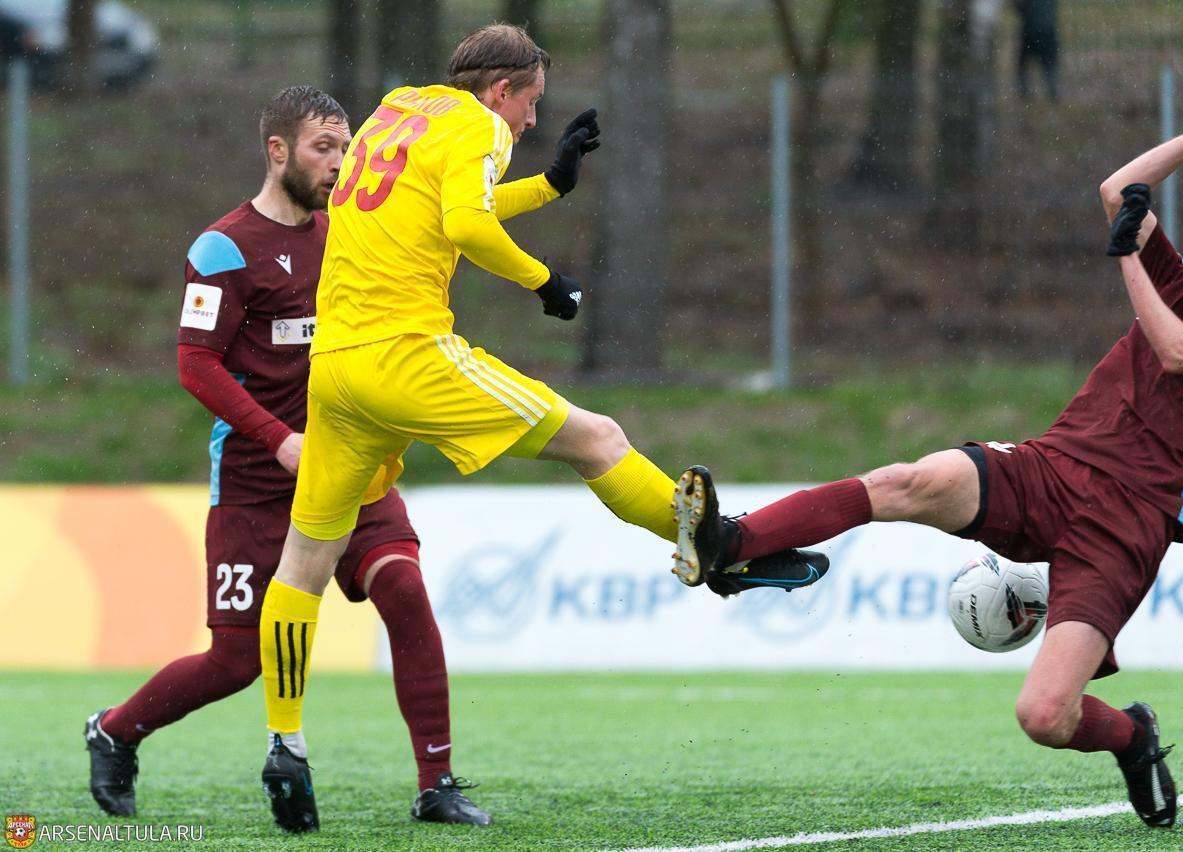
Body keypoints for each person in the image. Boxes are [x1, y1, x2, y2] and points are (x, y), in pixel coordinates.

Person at [254, 24, 827, 833]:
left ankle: (285, 743)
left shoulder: (397, 110)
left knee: (303, 564)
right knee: (599, 439)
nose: (530, 122)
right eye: (531, 104)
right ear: (501, 91)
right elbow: (467, 225)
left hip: (337, 369)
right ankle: (719, 547)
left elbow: (441, 205)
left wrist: (551, 185)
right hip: (407, 356)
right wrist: (545, 281)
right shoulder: (479, 125)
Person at [675, 84, 1183, 829]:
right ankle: (733, 542)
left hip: (1128, 527)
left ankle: (1132, 735)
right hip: (1050, 470)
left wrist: (1127, 255)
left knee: (1045, 715)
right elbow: (1117, 189)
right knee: (906, 481)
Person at [83, 86, 489, 830]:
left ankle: (437, 783)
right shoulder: (223, 248)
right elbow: (196, 365)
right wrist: (279, 438)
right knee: (238, 660)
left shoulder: (347, 234)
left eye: (346, 149)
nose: (339, 164)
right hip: (255, 484)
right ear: (277, 151)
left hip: (349, 465)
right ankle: (115, 730)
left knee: (404, 589)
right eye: (323, 148)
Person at [1014, 0, 1059, 102]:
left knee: (1023, 64)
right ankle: (1053, 93)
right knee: (1049, 64)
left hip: (1031, 30)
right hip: (1047, 29)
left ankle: (1025, 93)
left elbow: (1019, 7)